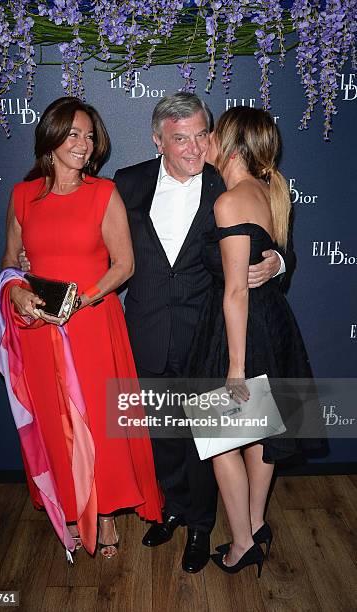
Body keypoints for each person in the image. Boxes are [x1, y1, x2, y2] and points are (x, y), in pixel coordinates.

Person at [113, 93, 291, 573]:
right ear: (158, 141)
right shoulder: (127, 184)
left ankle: (201, 526)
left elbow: (262, 238)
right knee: (165, 432)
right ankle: (173, 508)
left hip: (208, 332)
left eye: (201, 135)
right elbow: (100, 245)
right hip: (148, 329)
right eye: (180, 138)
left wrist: (276, 262)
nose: (194, 147)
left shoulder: (226, 184)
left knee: (212, 440)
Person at [0, 96, 162, 562]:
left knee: (99, 427)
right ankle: (69, 508)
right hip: (38, 330)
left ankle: (105, 514)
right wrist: (18, 293)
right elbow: (10, 261)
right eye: (73, 133)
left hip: (89, 325)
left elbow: (124, 265)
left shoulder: (103, 194)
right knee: (56, 424)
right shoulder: (22, 195)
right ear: (49, 138)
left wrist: (81, 299)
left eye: (88, 136)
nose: (83, 144)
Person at [185, 106, 320, 576]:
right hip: (274, 325)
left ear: (232, 144)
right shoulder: (268, 192)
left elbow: (236, 290)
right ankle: (257, 523)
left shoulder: (229, 201)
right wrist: (279, 263)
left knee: (222, 443)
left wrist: (236, 368)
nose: (207, 142)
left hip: (239, 332)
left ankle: (243, 543)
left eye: (213, 134)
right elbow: (262, 265)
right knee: (262, 437)